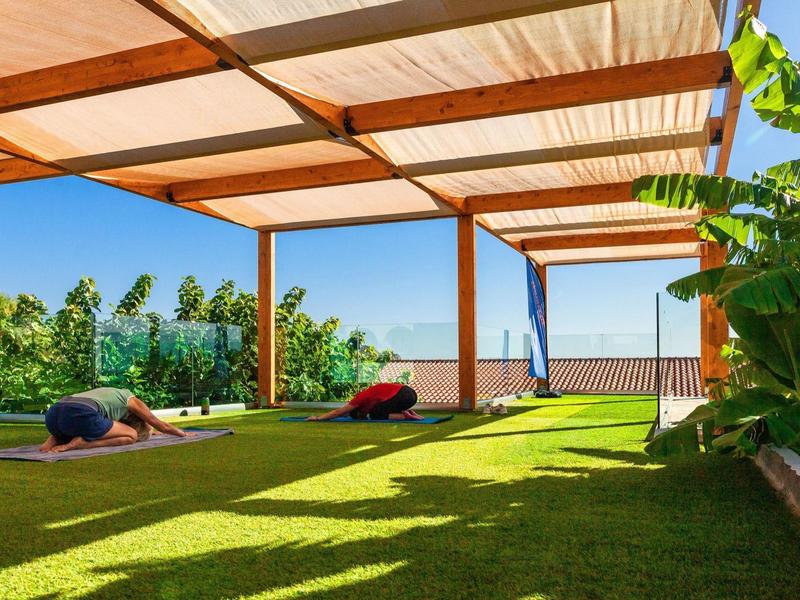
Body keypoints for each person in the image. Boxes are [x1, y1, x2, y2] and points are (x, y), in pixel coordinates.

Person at [39, 387, 194, 453]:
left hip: (53, 415)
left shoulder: (111, 394)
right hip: (81, 414)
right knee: (131, 436)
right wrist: (182, 433)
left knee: (77, 421)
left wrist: (152, 432)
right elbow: (158, 423)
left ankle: (55, 439)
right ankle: (82, 443)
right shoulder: (130, 399)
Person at [306, 383, 423, 421]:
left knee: (375, 414)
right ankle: (409, 413)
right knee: (379, 410)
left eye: (360, 414)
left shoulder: (359, 399)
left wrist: (318, 418)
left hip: (404, 395)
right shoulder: (365, 403)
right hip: (410, 395)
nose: (363, 416)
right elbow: (344, 414)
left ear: (358, 408)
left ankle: (405, 416)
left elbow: (340, 411)